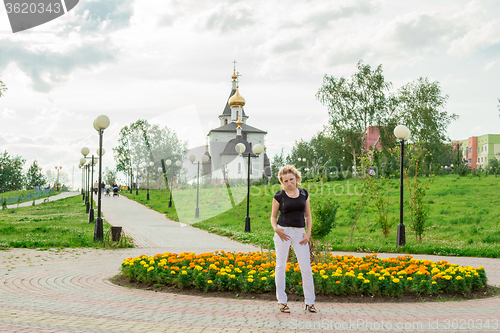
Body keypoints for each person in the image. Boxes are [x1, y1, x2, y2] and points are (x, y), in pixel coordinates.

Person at [271, 165, 316, 313]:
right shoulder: (279, 196)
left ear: (296, 178)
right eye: (286, 180)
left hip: (300, 233)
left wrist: (308, 234)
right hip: (283, 232)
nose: (289, 182)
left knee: (306, 268)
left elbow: (308, 215)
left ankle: (310, 302)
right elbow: (273, 217)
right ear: (282, 182)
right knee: (281, 266)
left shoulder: (304, 193)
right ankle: (282, 301)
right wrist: (276, 229)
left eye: (291, 179)